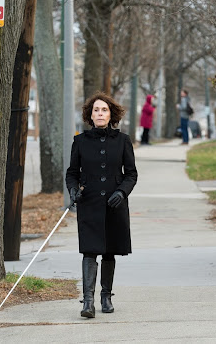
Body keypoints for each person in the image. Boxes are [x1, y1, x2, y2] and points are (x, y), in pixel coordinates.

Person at [66, 91, 138, 318]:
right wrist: (72, 190)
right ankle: (88, 302)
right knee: (89, 251)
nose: (100, 113)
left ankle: (106, 296)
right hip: (90, 203)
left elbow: (132, 174)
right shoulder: (80, 141)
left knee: (109, 251)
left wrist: (122, 192)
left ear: (111, 114)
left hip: (115, 204)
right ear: (90, 114)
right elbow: (72, 173)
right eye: (96, 109)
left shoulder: (123, 141)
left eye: (104, 110)